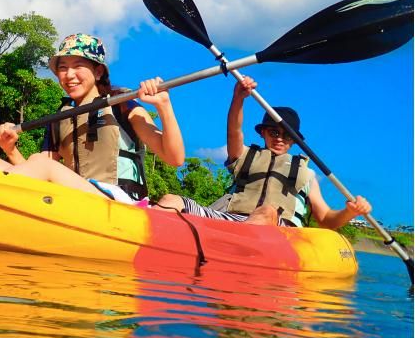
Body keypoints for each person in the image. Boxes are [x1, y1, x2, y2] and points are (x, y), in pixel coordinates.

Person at [0, 33, 185, 203]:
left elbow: (175, 158)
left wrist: (164, 106)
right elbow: (31, 174)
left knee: (43, 165)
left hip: (119, 201)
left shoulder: (122, 104)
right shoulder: (59, 119)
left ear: (98, 72)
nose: (69, 75)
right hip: (77, 200)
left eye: (78, 66)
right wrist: (10, 149)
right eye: (63, 68)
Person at [156, 76, 371, 228]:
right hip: (231, 221)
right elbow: (234, 131)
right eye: (274, 132)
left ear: (294, 141)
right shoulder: (245, 156)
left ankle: (232, 248)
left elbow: (325, 219)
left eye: (287, 135)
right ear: (263, 133)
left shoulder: (307, 174)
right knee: (171, 199)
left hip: (277, 229)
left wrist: (350, 212)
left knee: (267, 211)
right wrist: (238, 98)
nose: (279, 138)